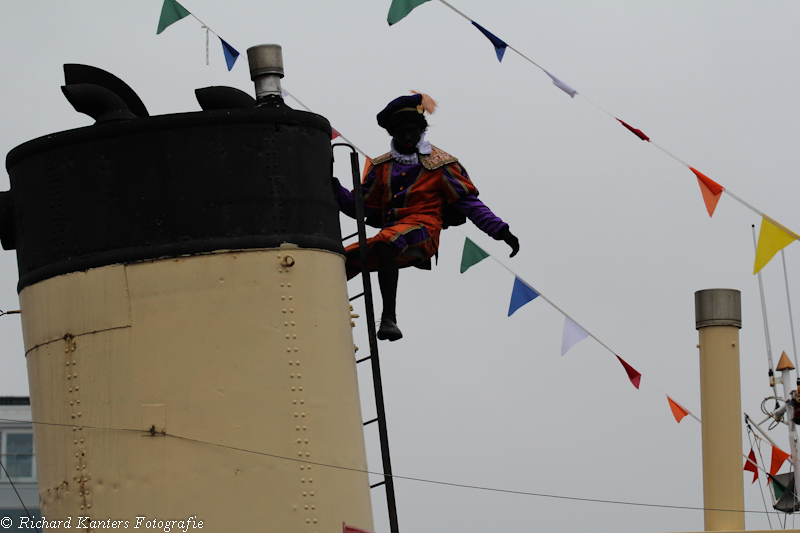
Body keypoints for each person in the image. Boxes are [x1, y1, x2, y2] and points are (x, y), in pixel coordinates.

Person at [332, 93, 519, 341]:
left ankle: (389, 318)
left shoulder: (442, 165)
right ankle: (321, 307)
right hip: (392, 232)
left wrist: (501, 231)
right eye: (402, 132)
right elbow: (361, 208)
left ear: (422, 131)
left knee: (386, 244)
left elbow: (470, 204)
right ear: (393, 134)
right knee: (340, 260)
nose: (408, 138)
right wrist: (329, 183)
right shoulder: (381, 167)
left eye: (413, 131)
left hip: (423, 231)